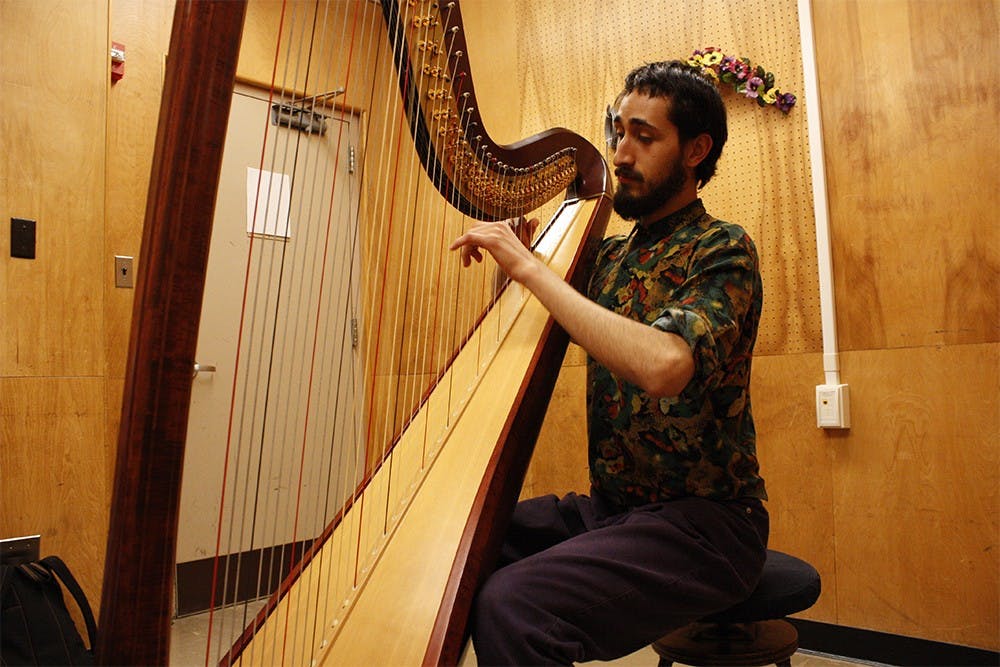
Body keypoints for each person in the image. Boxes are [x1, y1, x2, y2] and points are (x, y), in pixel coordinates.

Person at [449, 60, 768, 666]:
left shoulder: (722, 248)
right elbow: (535, 331)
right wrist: (517, 270)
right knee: (457, 541)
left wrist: (533, 269)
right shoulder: (608, 257)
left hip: (708, 526)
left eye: (644, 137)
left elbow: (666, 366)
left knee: (514, 605)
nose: (621, 154)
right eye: (617, 132)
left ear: (696, 149)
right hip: (614, 512)